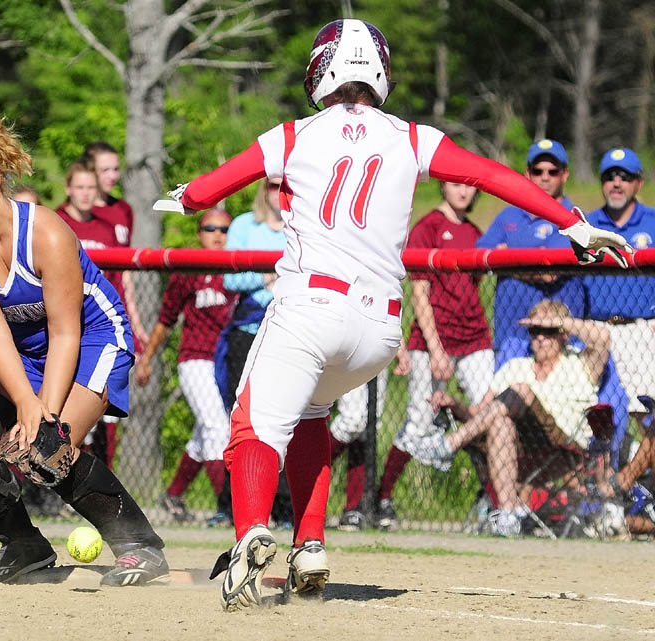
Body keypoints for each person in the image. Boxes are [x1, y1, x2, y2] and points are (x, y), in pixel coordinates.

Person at [161, 19, 629, 610]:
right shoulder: (413, 138)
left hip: (311, 305)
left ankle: (252, 534)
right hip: (378, 328)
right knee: (311, 418)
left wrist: (185, 196)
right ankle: (309, 546)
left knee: (251, 429)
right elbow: (495, 176)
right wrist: (573, 223)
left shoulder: (292, 136)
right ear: (378, 72)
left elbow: (209, 192)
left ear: (322, 68)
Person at [0, 113, 167, 586]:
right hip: (23, 352)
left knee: (44, 449)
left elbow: (67, 332)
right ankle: (23, 547)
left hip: (93, 339)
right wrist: (23, 400)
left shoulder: (46, 232)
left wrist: (43, 413)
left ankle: (138, 546)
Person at [419, 300, 611, 537]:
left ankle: (448, 445)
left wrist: (560, 321)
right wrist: (456, 405)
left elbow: (603, 339)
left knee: (521, 390)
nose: (540, 337)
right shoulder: (515, 365)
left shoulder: (581, 363)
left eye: (548, 330)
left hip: (562, 446)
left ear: (564, 334)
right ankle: (509, 514)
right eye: (534, 330)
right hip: (517, 449)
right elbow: (482, 412)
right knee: (501, 422)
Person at [376, 181, 494, 531]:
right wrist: (436, 349)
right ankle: (381, 498)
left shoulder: (474, 232)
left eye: (469, 187)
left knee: (487, 415)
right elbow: (419, 294)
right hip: (433, 341)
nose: (462, 191)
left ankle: (493, 499)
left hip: (474, 338)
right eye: (455, 183)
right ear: (442, 185)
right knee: (419, 420)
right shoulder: (427, 228)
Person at [135, 209, 236, 522]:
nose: (218, 234)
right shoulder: (189, 270)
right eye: (210, 228)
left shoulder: (237, 270)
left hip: (227, 362)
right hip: (195, 360)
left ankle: (173, 495)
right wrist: (147, 359)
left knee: (203, 435)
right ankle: (227, 508)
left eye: (224, 229)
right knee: (216, 428)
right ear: (199, 233)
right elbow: (166, 319)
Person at [207, 177, 293, 530]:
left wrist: (271, 276)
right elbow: (231, 280)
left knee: (289, 421)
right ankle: (234, 506)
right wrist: (269, 276)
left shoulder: (302, 225)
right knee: (243, 419)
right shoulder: (244, 225)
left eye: (286, 186)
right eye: (273, 185)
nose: (278, 192)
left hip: (288, 332)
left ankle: (287, 510)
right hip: (247, 333)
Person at [476, 139, 585, 367]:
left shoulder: (574, 217)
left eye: (552, 171)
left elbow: (548, 272)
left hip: (560, 339)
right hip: (511, 335)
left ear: (565, 174)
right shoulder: (509, 216)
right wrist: (529, 259)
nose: (544, 177)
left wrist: (505, 258)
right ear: (527, 173)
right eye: (538, 170)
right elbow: (479, 258)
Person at [54, 161, 122, 469]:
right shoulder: (55, 223)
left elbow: (121, 280)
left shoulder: (106, 228)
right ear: (68, 189)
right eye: (78, 187)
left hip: (98, 324)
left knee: (101, 408)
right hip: (63, 322)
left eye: (90, 188)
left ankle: (95, 477)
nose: (84, 194)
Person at [583, 148, 655, 429]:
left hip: (641, 329)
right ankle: (610, 472)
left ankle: (645, 473)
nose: (616, 183)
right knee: (601, 412)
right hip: (596, 330)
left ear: (639, 183)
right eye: (609, 176)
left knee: (645, 412)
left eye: (625, 176)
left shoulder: (652, 221)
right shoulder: (587, 224)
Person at [80, 141, 148, 351]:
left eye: (116, 169)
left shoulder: (122, 210)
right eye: (105, 170)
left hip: (114, 309)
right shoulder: (70, 214)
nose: (113, 176)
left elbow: (125, 274)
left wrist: (136, 324)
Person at [328, 370, 388, 530]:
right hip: (352, 349)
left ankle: (352, 509)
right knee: (352, 420)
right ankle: (305, 471)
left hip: (381, 349)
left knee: (369, 424)